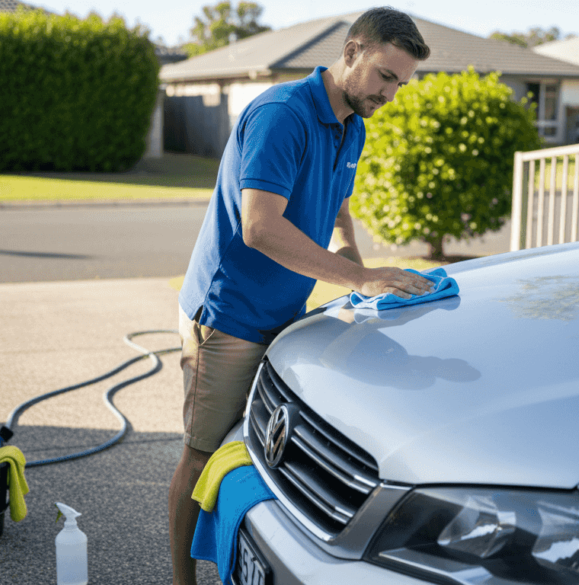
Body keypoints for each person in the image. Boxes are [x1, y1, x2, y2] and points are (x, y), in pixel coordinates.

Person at [168, 8, 432, 584]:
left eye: (401, 83)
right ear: (353, 50)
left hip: (284, 314)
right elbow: (259, 227)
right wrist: (358, 278)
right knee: (202, 452)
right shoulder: (282, 114)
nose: (391, 93)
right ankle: (181, 581)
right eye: (385, 76)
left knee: (263, 445)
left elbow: (338, 212)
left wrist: (365, 289)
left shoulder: (352, 125)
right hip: (228, 316)